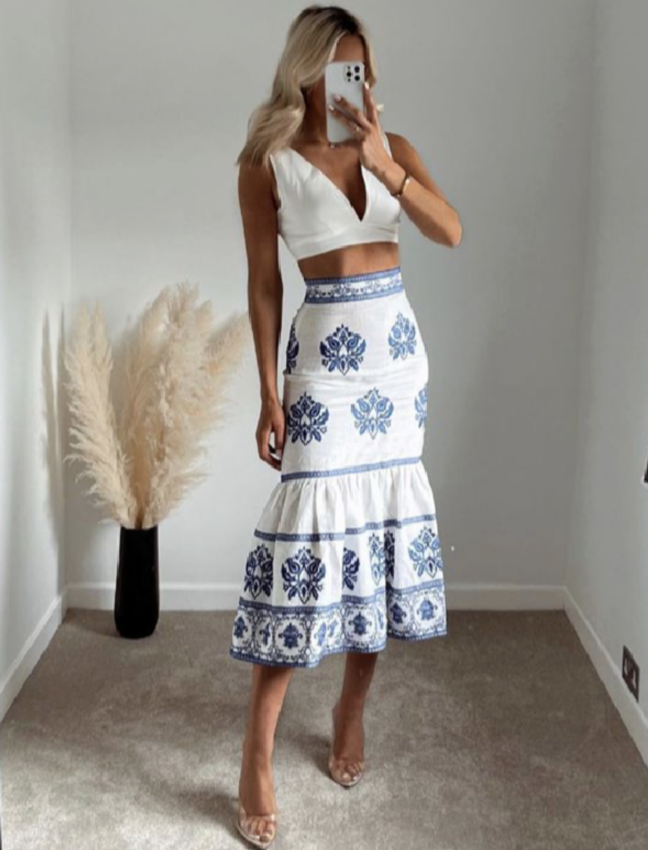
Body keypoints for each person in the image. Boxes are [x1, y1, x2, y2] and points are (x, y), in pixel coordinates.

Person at [230, 5, 462, 846]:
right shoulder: (265, 163)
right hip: (324, 374)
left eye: (363, 67)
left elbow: (451, 231)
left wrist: (383, 166)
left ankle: (351, 711)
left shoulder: (392, 149)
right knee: (305, 552)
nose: (354, 83)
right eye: (340, 68)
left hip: (397, 372)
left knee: (381, 545)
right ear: (305, 71)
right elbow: (265, 284)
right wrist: (269, 392)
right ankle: (256, 751)